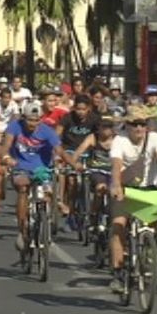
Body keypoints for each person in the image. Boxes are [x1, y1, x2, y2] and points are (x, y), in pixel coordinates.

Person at [109, 106, 157, 292]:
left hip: (149, 188)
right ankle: (117, 273)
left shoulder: (156, 138)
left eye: (143, 124)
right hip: (125, 188)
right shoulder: (119, 140)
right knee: (118, 226)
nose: (139, 128)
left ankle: (153, 249)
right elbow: (116, 165)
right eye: (134, 124)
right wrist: (116, 185)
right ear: (127, 125)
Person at [0, 102, 66, 251]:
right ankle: (22, 228)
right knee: (23, 187)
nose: (33, 124)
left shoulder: (48, 131)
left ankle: (46, 222)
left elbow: (59, 150)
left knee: (47, 195)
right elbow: (6, 145)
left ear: (41, 120)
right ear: (24, 118)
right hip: (20, 168)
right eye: (30, 120)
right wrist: (6, 158)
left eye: (36, 120)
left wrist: (62, 161)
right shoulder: (14, 127)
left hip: (42, 169)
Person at [59, 94, 100, 228]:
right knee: (72, 181)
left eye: (83, 109)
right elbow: (57, 134)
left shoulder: (95, 119)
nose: (80, 112)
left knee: (88, 179)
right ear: (74, 108)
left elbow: (100, 136)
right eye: (78, 109)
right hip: (69, 150)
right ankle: (70, 211)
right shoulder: (67, 118)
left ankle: (89, 211)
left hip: (88, 152)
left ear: (88, 108)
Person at [70, 116, 115, 229]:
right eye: (103, 127)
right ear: (98, 128)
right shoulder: (92, 138)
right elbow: (78, 152)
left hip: (114, 171)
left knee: (115, 192)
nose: (105, 130)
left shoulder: (119, 140)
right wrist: (75, 163)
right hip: (96, 170)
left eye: (108, 127)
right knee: (100, 188)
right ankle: (94, 214)